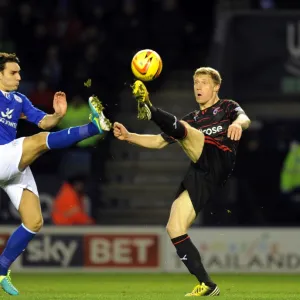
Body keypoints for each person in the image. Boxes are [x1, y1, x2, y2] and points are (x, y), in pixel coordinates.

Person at [113, 67, 251, 296]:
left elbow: (244, 117)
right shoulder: (191, 119)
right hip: (200, 170)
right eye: (196, 82)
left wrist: (237, 124)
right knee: (174, 228)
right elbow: (158, 142)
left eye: (204, 82)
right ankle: (207, 284)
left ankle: (151, 109)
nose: (198, 87)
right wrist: (129, 137)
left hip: (220, 157)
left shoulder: (227, 106)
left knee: (187, 132)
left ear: (216, 86)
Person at [0, 52, 111, 295]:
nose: (19, 77)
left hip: (10, 163)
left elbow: (44, 123)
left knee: (34, 222)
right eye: (12, 72)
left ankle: (1, 270)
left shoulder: (19, 99)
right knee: (39, 142)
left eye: (19, 72)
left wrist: (58, 115)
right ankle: (94, 127)